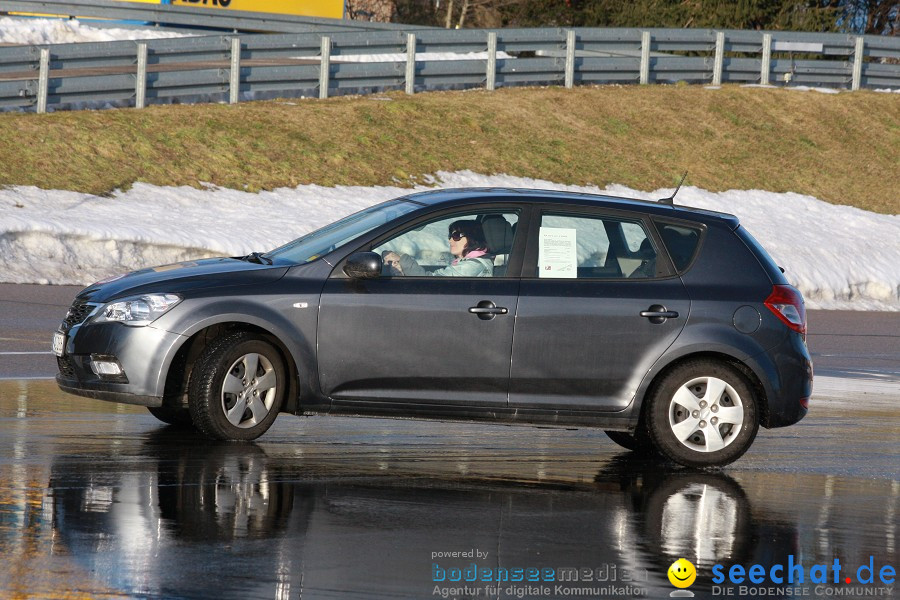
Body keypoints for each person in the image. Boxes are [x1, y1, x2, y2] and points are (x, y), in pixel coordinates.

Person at [383, 220, 494, 277]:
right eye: (450, 236)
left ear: (472, 237)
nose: (450, 240)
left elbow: (430, 283)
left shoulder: (472, 266)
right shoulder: (468, 263)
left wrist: (402, 259)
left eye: (456, 236)